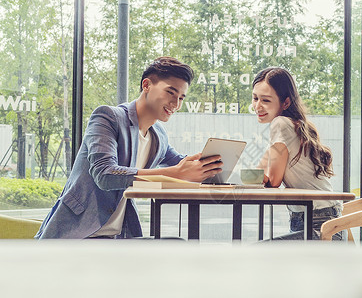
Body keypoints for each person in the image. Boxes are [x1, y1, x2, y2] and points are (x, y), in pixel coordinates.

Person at [35, 57, 223, 239]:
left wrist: (214, 166)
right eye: (170, 93)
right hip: (77, 233)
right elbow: (105, 174)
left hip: (118, 236)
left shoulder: (158, 135)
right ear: (147, 85)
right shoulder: (108, 117)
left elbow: (182, 164)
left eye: (181, 97)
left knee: (177, 245)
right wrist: (177, 173)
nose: (176, 104)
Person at [252, 67, 342, 240]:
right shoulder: (294, 125)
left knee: (259, 252)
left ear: (285, 103)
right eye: (255, 98)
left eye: (266, 100)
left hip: (320, 225)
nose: (257, 106)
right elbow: (260, 171)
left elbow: (273, 181)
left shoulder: (280, 123)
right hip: (322, 219)